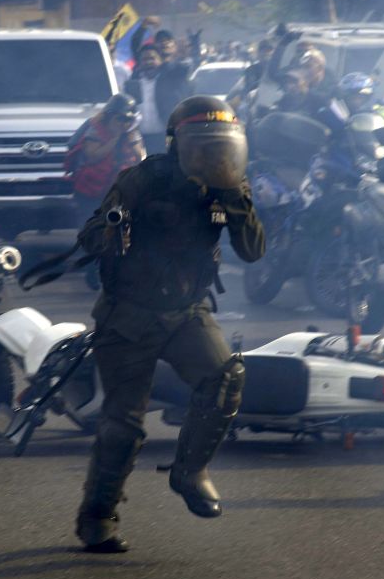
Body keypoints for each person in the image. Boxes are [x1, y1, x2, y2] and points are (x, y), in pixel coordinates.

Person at [73, 96, 265, 553]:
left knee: (224, 378)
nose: (211, 156)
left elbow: (253, 251)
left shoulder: (231, 186)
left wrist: (236, 200)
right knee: (122, 425)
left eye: (220, 147)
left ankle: (190, 472)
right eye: (201, 146)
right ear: (177, 144)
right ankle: (97, 519)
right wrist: (111, 233)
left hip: (187, 311)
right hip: (129, 315)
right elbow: (90, 232)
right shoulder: (144, 177)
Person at [65, 93, 145, 224]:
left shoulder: (131, 133)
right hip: (91, 191)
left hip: (120, 192)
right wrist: (115, 139)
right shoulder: (95, 131)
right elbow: (93, 157)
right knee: (92, 226)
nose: (123, 124)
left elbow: (140, 159)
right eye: (119, 119)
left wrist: (134, 143)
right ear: (109, 116)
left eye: (127, 120)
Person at [124, 44, 192, 154]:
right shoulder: (133, 84)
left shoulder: (169, 79)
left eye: (152, 58)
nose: (149, 62)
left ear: (160, 61)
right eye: (145, 59)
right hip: (141, 139)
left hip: (164, 136)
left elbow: (184, 69)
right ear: (140, 63)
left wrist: (180, 56)